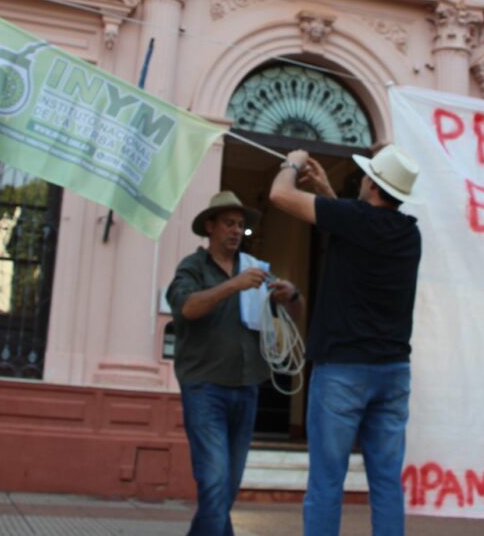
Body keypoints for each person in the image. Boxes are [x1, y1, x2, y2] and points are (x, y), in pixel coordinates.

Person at [269, 145, 421, 536]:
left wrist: (293, 162)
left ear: (371, 184)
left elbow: (280, 195)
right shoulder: (409, 234)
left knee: (326, 482)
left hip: (343, 371)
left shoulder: (354, 219)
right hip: (393, 372)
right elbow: (359, 229)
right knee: (387, 484)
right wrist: (326, 192)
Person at [166, 190, 304, 536]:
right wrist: (232, 286)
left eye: (240, 225)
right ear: (209, 227)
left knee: (225, 486)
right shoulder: (193, 266)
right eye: (228, 223)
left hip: (247, 387)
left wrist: (293, 297)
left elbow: (296, 316)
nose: (235, 231)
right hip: (205, 387)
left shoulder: (255, 269)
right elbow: (186, 308)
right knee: (214, 481)